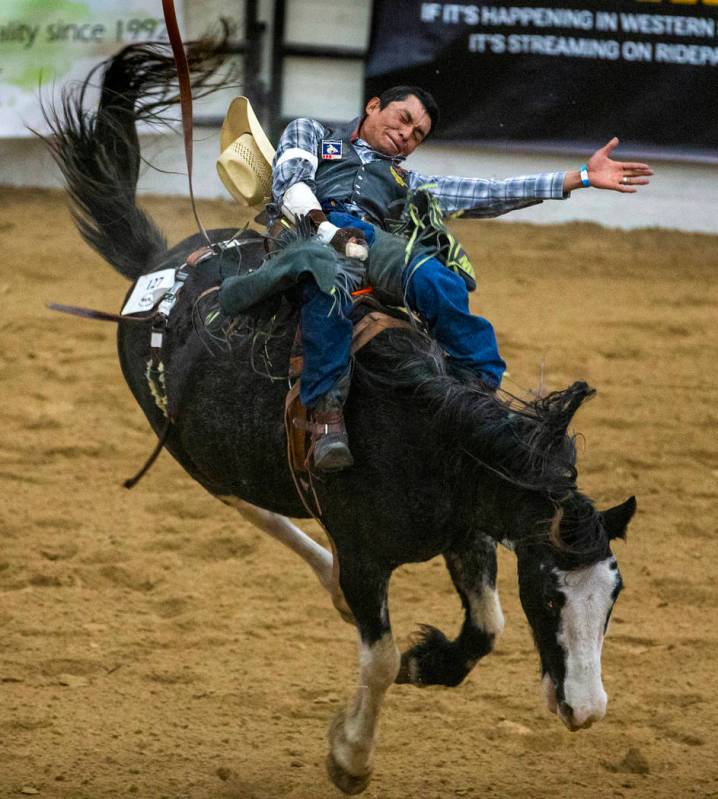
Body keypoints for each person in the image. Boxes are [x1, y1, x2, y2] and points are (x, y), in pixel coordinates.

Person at [268, 86, 652, 472]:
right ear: (372, 106)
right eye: (404, 119)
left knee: (441, 282)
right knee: (328, 282)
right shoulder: (313, 133)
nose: (407, 134)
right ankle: (326, 415)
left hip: (371, 244)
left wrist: (580, 176)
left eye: (418, 135)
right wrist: (327, 232)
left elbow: (489, 193)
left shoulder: (410, 183)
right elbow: (290, 182)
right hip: (306, 230)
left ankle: (480, 394)